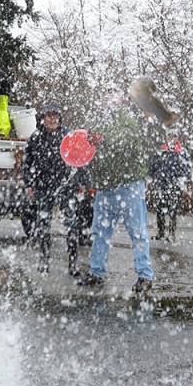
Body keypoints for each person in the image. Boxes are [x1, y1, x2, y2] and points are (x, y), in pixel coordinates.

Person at [77, 99, 163, 294]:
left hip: (129, 185)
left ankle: (145, 275)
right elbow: (87, 154)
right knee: (100, 232)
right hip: (104, 188)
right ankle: (96, 272)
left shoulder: (127, 119)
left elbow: (128, 141)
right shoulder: (96, 122)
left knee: (137, 232)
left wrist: (104, 139)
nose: (107, 102)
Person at [23, 104, 81, 275]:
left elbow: (78, 159)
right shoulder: (36, 137)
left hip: (65, 187)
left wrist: (78, 182)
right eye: (49, 115)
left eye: (56, 116)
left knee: (71, 225)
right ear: (43, 117)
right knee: (43, 226)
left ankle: (73, 264)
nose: (53, 119)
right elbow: (28, 163)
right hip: (43, 187)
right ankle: (44, 261)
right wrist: (29, 184)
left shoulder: (67, 136)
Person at [148, 131, 191, 242]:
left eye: (174, 136)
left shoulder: (182, 152)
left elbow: (187, 169)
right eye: (169, 135)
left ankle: (172, 234)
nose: (171, 138)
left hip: (175, 185)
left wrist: (183, 181)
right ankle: (161, 232)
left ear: (177, 138)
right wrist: (152, 177)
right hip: (160, 184)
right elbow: (152, 166)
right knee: (159, 209)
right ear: (166, 137)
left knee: (173, 210)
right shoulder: (161, 150)